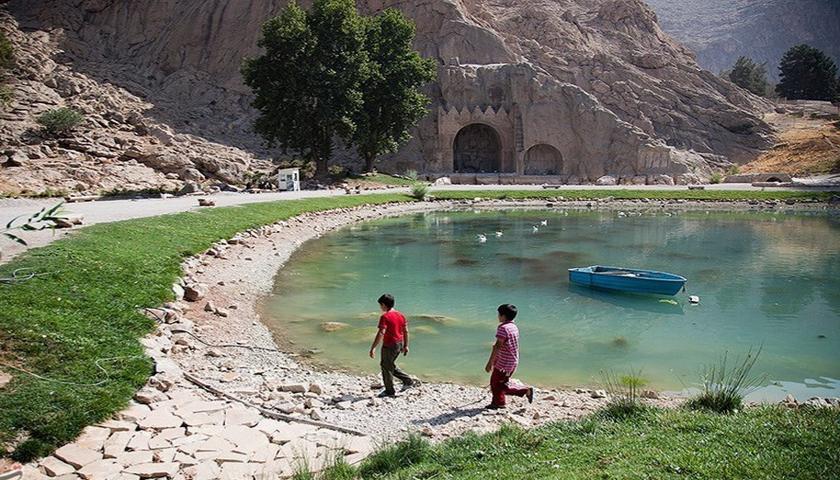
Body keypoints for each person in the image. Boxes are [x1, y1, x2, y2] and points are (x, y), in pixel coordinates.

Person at [484, 303, 534, 409]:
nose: (497, 316)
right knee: (500, 382)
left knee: (496, 384)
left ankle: (524, 391)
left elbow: (497, 346)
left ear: (503, 316)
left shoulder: (503, 328)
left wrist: (490, 363)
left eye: (498, 314)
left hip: (504, 363)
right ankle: (499, 402)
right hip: (512, 360)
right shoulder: (513, 327)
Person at [369, 293, 418, 397]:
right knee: (389, 364)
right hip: (399, 344)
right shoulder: (401, 315)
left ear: (383, 305)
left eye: (380, 305)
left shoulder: (385, 317)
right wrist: (405, 345)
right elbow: (406, 331)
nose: (380, 307)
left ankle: (389, 391)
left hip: (389, 345)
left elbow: (381, 332)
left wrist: (373, 347)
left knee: (385, 366)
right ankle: (408, 381)